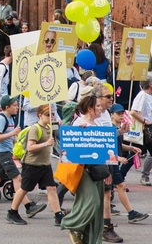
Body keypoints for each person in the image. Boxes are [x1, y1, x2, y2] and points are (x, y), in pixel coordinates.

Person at [0, 95, 46, 218]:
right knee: (17, 178)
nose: (17, 107)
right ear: (7, 107)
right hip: (2, 153)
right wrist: (12, 133)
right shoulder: (1, 119)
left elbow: (11, 137)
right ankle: (28, 206)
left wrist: (17, 143)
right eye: (14, 105)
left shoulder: (11, 119)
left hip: (6, 152)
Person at [60, 93, 109, 244]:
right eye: (98, 106)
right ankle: (71, 223)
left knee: (98, 206)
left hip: (98, 169)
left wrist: (121, 132)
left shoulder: (98, 125)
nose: (101, 109)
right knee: (92, 201)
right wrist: (79, 133)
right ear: (89, 108)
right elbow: (72, 146)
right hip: (83, 170)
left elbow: (104, 146)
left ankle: (89, 238)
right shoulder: (79, 123)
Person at [6, 105, 64, 225]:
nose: (51, 117)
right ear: (40, 115)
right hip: (32, 164)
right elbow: (30, 147)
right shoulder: (35, 128)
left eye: (52, 114)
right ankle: (12, 212)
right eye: (48, 115)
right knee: (24, 189)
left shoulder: (49, 127)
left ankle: (58, 215)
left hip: (45, 164)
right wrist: (45, 144)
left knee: (52, 188)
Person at [108, 103, 149, 224]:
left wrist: (131, 148)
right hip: (111, 162)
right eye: (118, 114)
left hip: (113, 161)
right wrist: (118, 158)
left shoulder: (117, 129)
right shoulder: (110, 129)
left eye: (122, 114)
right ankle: (131, 213)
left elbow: (118, 145)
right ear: (112, 114)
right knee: (120, 186)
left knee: (107, 190)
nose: (121, 116)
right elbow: (106, 148)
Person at [130, 75, 152, 186]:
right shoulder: (142, 95)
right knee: (134, 152)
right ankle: (144, 175)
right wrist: (144, 121)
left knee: (138, 152)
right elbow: (133, 112)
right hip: (145, 129)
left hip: (149, 128)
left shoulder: (149, 95)